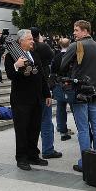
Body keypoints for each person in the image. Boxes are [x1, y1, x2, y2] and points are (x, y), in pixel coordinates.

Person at [60, 20, 96, 173]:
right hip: (95, 91)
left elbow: (62, 66)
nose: (74, 33)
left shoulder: (76, 46)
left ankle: (86, 163)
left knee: (83, 129)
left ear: (85, 31)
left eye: (76, 30)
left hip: (80, 91)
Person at [5, 29, 51, 171]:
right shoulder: (11, 56)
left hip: (37, 98)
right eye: (29, 39)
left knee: (34, 128)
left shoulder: (34, 54)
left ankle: (33, 155)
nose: (32, 41)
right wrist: (16, 66)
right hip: (21, 100)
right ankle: (22, 158)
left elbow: (41, 75)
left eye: (32, 39)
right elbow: (10, 75)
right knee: (22, 129)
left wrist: (47, 94)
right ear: (21, 41)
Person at [31, 27, 63, 160]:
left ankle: (32, 149)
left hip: (31, 88)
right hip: (43, 85)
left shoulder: (27, 50)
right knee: (46, 120)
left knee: (33, 121)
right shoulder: (43, 47)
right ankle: (48, 149)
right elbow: (52, 58)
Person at [51, 38, 74, 141]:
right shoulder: (72, 56)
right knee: (75, 107)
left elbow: (53, 71)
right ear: (69, 45)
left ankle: (62, 130)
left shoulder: (56, 57)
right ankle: (81, 128)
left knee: (60, 107)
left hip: (59, 84)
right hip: (71, 84)